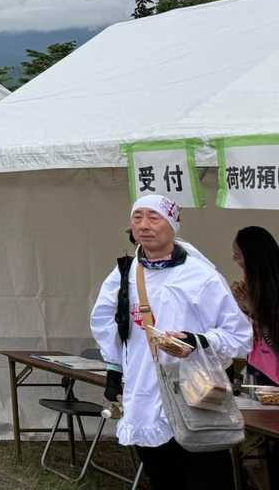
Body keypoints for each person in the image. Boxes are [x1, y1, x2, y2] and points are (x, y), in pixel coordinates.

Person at [90, 195, 250, 488]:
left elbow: (239, 335)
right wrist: (114, 369)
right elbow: (105, 324)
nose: (144, 225)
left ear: (173, 224)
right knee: (161, 474)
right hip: (143, 391)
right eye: (137, 217)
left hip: (194, 392)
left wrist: (197, 340)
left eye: (154, 217)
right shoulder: (125, 273)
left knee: (206, 476)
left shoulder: (200, 275)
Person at [234, 226, 279, 489]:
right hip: (255, 375)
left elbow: (273, 340)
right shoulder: (250, 286)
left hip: (272, 380)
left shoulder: (272, 290)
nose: (234, 259)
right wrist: (242, 312)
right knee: (252, 451)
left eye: (238, 253)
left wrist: (255, 313)